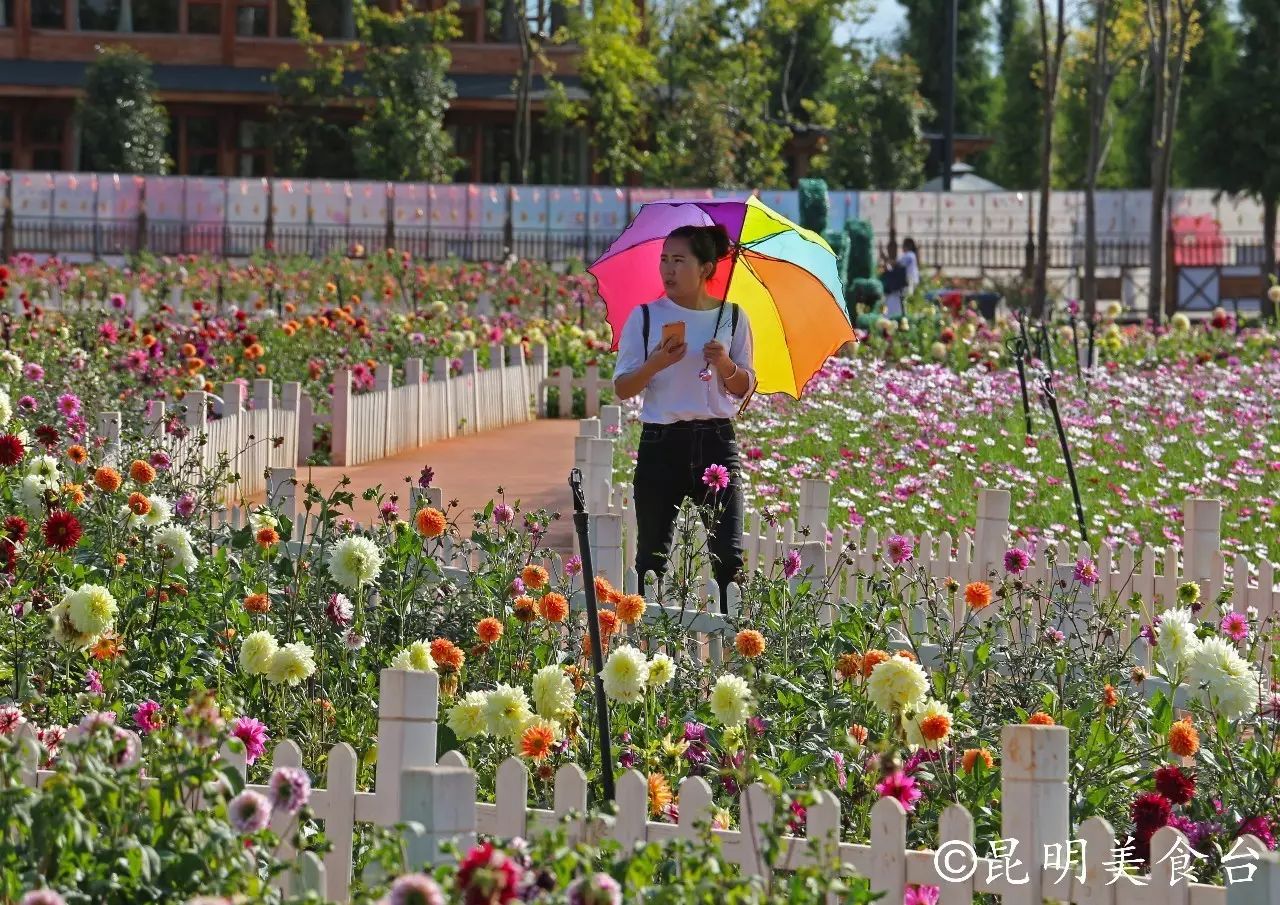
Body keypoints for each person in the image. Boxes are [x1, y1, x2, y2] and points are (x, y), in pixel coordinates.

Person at [612, 224, 756, 613]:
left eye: (679, 261)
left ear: (706, 267)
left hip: (716, 442)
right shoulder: (644, 317)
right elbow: (623, 387)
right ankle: (646, 647)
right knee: (652, 557)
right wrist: (657, 361)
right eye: (664, 260)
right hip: (661, 443)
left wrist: (725, 364)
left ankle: (734, 648)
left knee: (727, 556)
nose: (668, 270)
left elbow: (744, 386)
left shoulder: (732, 316)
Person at [881, 237, 920, 318]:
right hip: (904, 285)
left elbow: (897, 264)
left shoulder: (910, 255)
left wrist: (886, 259)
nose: (902, 247)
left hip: (908, 283)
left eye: (903, 245)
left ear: (908, 246)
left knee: (905, 304)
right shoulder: (909, 255)